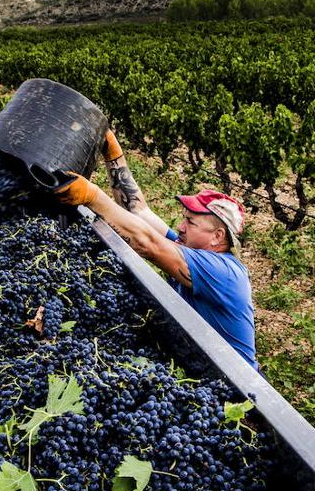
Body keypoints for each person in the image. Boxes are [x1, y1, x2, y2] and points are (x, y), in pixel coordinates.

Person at [52, 130, 258, 369]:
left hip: (235, 389)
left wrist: (92, 196)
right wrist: (114, 156)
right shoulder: (186, 248)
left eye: (190, 222)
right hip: (196, 363)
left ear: (217, 237)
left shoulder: (223, 272)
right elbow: (138, 212)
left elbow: (146, 243)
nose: (180, 227)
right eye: (184, 218)